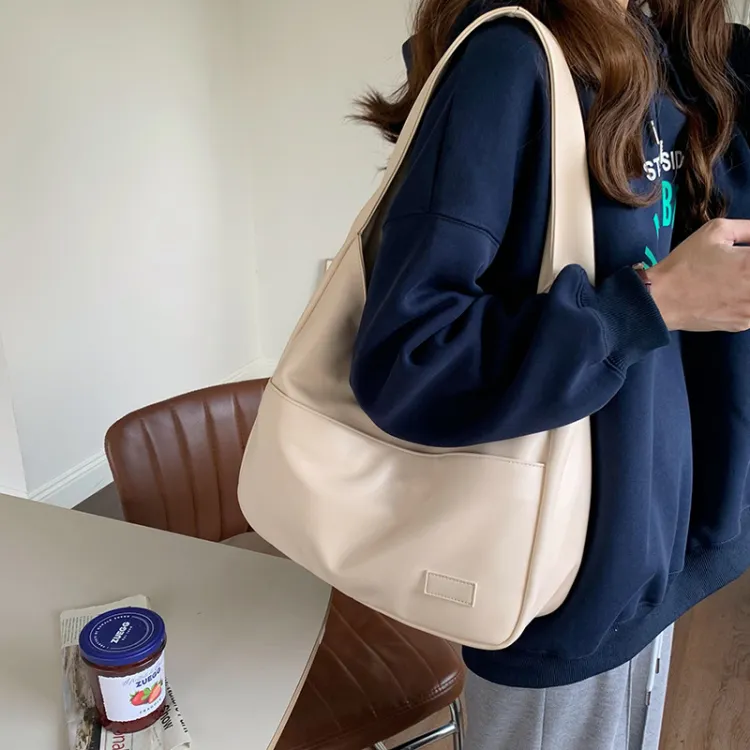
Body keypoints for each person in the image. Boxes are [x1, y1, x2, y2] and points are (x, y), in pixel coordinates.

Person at [350, 1, 750, 748]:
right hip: (561, 585)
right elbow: (411, 358)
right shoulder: (510, 58)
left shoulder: (670, 51)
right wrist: (654, 304)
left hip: (646, 554)